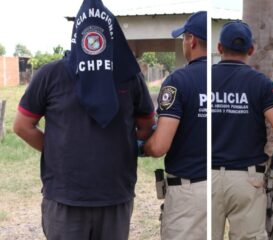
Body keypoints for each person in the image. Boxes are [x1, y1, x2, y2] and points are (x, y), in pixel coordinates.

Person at [13, 0, 155, 239]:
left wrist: (119, 147)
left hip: (115, 196)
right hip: (64, 198)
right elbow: (21, 125)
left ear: (111, 35)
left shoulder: (129, 78)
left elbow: (146, 126)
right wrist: (58, 149)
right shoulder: (52, 74)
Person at [211, 20, 273, 240]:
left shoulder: (200, 80)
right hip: (247, 180)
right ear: (251, 50)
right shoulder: (261, 84)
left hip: (205, 177)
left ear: (219, 48)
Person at [143, 11, 207, 240]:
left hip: (189, 192)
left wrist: (142, 146)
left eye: (183, 38)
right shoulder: (226, 80)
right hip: (221, 187)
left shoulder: (177, 81)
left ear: (192, 40)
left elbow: (160, 146)